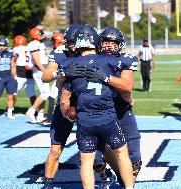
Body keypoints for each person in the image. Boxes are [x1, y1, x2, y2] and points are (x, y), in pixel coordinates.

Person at [60, 24, 134, 189]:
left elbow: (64, 98)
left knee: (86, 161)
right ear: (95, 41)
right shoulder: (109, 60)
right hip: (108, 118)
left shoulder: (70, 65)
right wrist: (128, 99)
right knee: (122, 154)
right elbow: (125, 85)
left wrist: (67, 114)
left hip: (85, 120)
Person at [89, 26, 141, 188]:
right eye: (106, 42)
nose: (110, 45)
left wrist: (127, 96)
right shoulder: (90, 59)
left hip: (120, 108)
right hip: (97, 110)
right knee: (95, 158)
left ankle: (128, 185)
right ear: (99, 43)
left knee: (134, 158)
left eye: (114, 42)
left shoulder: (126, 59)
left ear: (120, 44)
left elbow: (126, 87)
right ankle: (108, 175)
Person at [41, 25, 80, 189]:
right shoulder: (59, 53)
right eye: (70, 41)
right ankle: (48, 183)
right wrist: (60, 73)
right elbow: (45, 77)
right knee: (55, 149)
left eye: (76, 41)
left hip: (89, 104)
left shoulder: (91, 53)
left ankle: (105, 175)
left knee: (99, 147)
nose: (73, 45)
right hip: (65, 104)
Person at [26, 27, 50, 125]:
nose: (42, 35)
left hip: (43, 69)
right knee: (45, 93)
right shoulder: (33, 44)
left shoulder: (40, 44)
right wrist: (45, 72)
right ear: (36, 35)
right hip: (39, 70)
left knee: (43, 93)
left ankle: (40, 116)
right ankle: (31, 111)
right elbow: (37, 61)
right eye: (40, 33)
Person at [11, 35, 36, 106]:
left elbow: (13, 61)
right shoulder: (28, 48)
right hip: (30, 71)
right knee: (31, 93)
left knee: (14, 92)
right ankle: (34, 111)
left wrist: (14, 74)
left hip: (21, 71)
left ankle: (10, 109)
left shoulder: (17, 49)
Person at [47, 32, 65, 121]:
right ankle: (50, 117)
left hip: (66, 79)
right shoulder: (55, 52)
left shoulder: (58, 52)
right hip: (59, 78)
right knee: (52, 96)